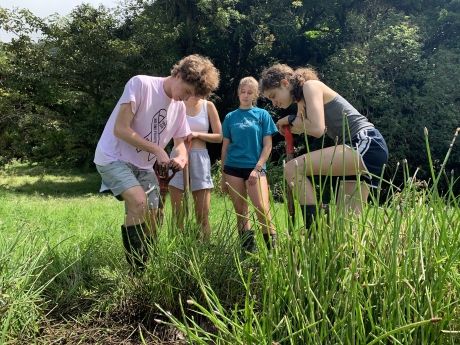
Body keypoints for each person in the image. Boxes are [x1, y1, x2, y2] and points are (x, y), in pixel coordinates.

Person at [94, 54, 220, 270]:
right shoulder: (141, 84)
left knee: (154, 216)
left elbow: (181, 142)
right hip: (113, 157)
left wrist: (180, 156)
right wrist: (157, 149)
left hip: (143, 166)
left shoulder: (179, 107)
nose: (186, 98)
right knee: (138, 202)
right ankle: (137, 271)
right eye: (187, 91)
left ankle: (148, 265)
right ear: (177, 74)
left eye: (193, 96)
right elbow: (121, 128)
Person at [259, 64, 389, 229]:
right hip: (361, 146)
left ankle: (315, 229)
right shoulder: (302, 99)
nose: (274, 102)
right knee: (346, 228)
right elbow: (307, 126)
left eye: (273, 96)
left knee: (292, 168)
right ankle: (338, 247)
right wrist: (294, 123)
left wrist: (290, 119)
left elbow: (317, 129)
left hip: (365, 142)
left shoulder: (310, 86)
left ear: (285, 83)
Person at [221, 77, 278, 251]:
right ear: (238, 93)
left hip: (255, 168)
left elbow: (268, 145)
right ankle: (248, 251)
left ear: (256, 95)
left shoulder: (262, 115)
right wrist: (223, 175)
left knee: (261, 208)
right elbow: (225, 147)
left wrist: (257, 168)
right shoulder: (230, 117)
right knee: (240, 211)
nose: (245, 95)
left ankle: (273, 252)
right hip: (232, 168)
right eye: (243, 92)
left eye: (250, 92)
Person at [168, 96, 222, 240]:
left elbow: (219, 136)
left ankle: (203, 251)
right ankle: (178, 250)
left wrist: (197, 134)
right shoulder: (177, 104)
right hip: (178, 158)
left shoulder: (208, 105)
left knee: (202, 216)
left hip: (200, 158)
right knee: (178, 215)